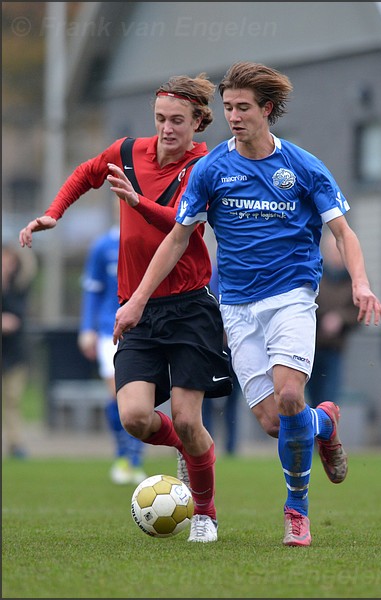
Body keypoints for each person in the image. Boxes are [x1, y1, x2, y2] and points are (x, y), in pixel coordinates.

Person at [111, 61, 381, 547]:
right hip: (236, 306)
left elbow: (343, 231)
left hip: (291, 298)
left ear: (268, 110)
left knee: (286, 395)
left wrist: (362, 284)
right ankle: (324, 421)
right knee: (274, 423)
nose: (233, 116)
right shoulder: (213, 168)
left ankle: (296, 509)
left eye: (243, 108)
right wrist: (136, 301)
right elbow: (177, 238)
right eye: (228, 107)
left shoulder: (302, 166)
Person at [19, 73, 232, 543]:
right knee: (134, 417)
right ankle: (193, 451)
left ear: (199, 121)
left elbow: (184, 225)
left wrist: (135, 202)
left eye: (177, 120)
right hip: (136, 310)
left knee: (187, 415)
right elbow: (85, 172)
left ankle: (205, 512)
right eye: (159, 119)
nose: (166, 129)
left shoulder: (207, 165)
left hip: (190, 307)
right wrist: (56, 211)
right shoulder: (128, 151)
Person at [78, 212, 147, 485]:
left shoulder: (147, 240)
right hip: (110, 330)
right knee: (118, 398)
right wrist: (87, 329)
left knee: (140, 402)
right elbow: (92, 291)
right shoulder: (102, 246)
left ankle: (135, 458)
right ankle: (124, 456)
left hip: (143, 330)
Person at [306, 230, 359, 409]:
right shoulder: (315, 274)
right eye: (331, 250)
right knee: (311, 398)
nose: (335, 255)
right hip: (311, 348)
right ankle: (313, 435)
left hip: (335, 348)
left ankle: (325, 435)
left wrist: (340, 318)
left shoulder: (352, 279)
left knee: (329, 400)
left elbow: (357, 311)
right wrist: (323, 317)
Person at [202, 260, 241, 455]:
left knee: (233, 399)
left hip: (233, 346)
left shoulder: (236, 271)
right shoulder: (210, 274)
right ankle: (207, 443)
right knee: (205, 398)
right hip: (211, 346)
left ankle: (231, 446)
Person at [2, 243, 37, 458]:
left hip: (15, 354)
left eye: (9, 261)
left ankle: (16, 444)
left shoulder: (19, 286)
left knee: (12, 399)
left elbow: (17, 318)